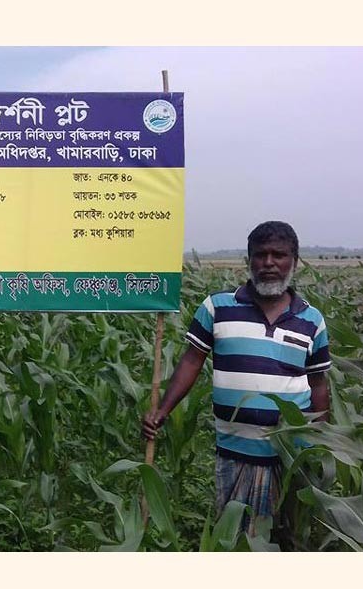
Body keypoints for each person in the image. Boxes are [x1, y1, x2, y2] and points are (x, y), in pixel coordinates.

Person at [142, 221, 331, 535]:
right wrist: (162, 411)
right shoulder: (218, 307)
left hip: (290, 456)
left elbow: (318, 384)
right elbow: (191, 361)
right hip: (234, 452)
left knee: (286, 537)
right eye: (260, 255)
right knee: (233, 538)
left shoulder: (312, 320)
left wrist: (322, 442)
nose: (269, 263)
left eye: (279, 255)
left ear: (294, 262)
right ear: (249, 260)